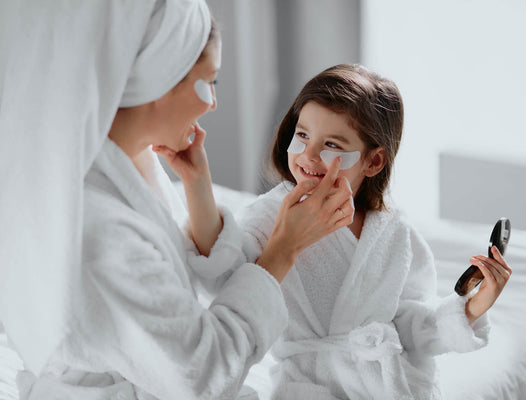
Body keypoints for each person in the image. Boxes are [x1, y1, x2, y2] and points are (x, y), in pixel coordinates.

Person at [15, 8, 354, 400]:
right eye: (208, 81)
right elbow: (202, 374)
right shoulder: (98, 232)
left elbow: (174, 279)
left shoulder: (121, 163)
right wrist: (282, 250)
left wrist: (197, 186)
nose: (212, 103)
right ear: (158, 80)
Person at [235, 64, 512, 399]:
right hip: (307, 387)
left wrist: (472, 308)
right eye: (303, 135)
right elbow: (228, 281)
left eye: (332, 144)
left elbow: (412, 325)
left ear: (374, 161)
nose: (308, 154)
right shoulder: (268, 217)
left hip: (388, 385)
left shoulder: (394, 234)